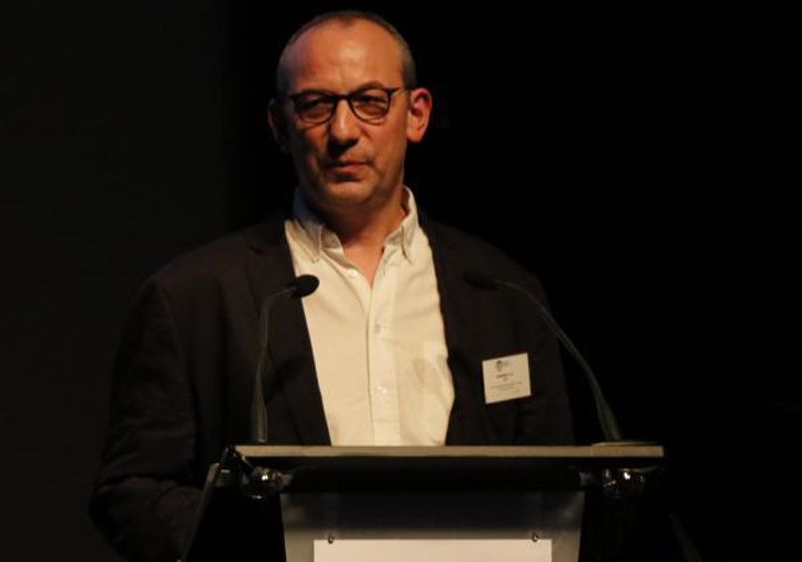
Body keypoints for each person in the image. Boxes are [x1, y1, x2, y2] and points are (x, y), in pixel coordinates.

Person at [90, 10, 573, 562]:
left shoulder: (504, 292)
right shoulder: (195, 297)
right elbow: (131, 493)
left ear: (416, 115)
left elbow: (559, 488)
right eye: (316, 105)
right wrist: (258, 548)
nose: (343, 132)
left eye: (370, 101)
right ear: (278, 125)